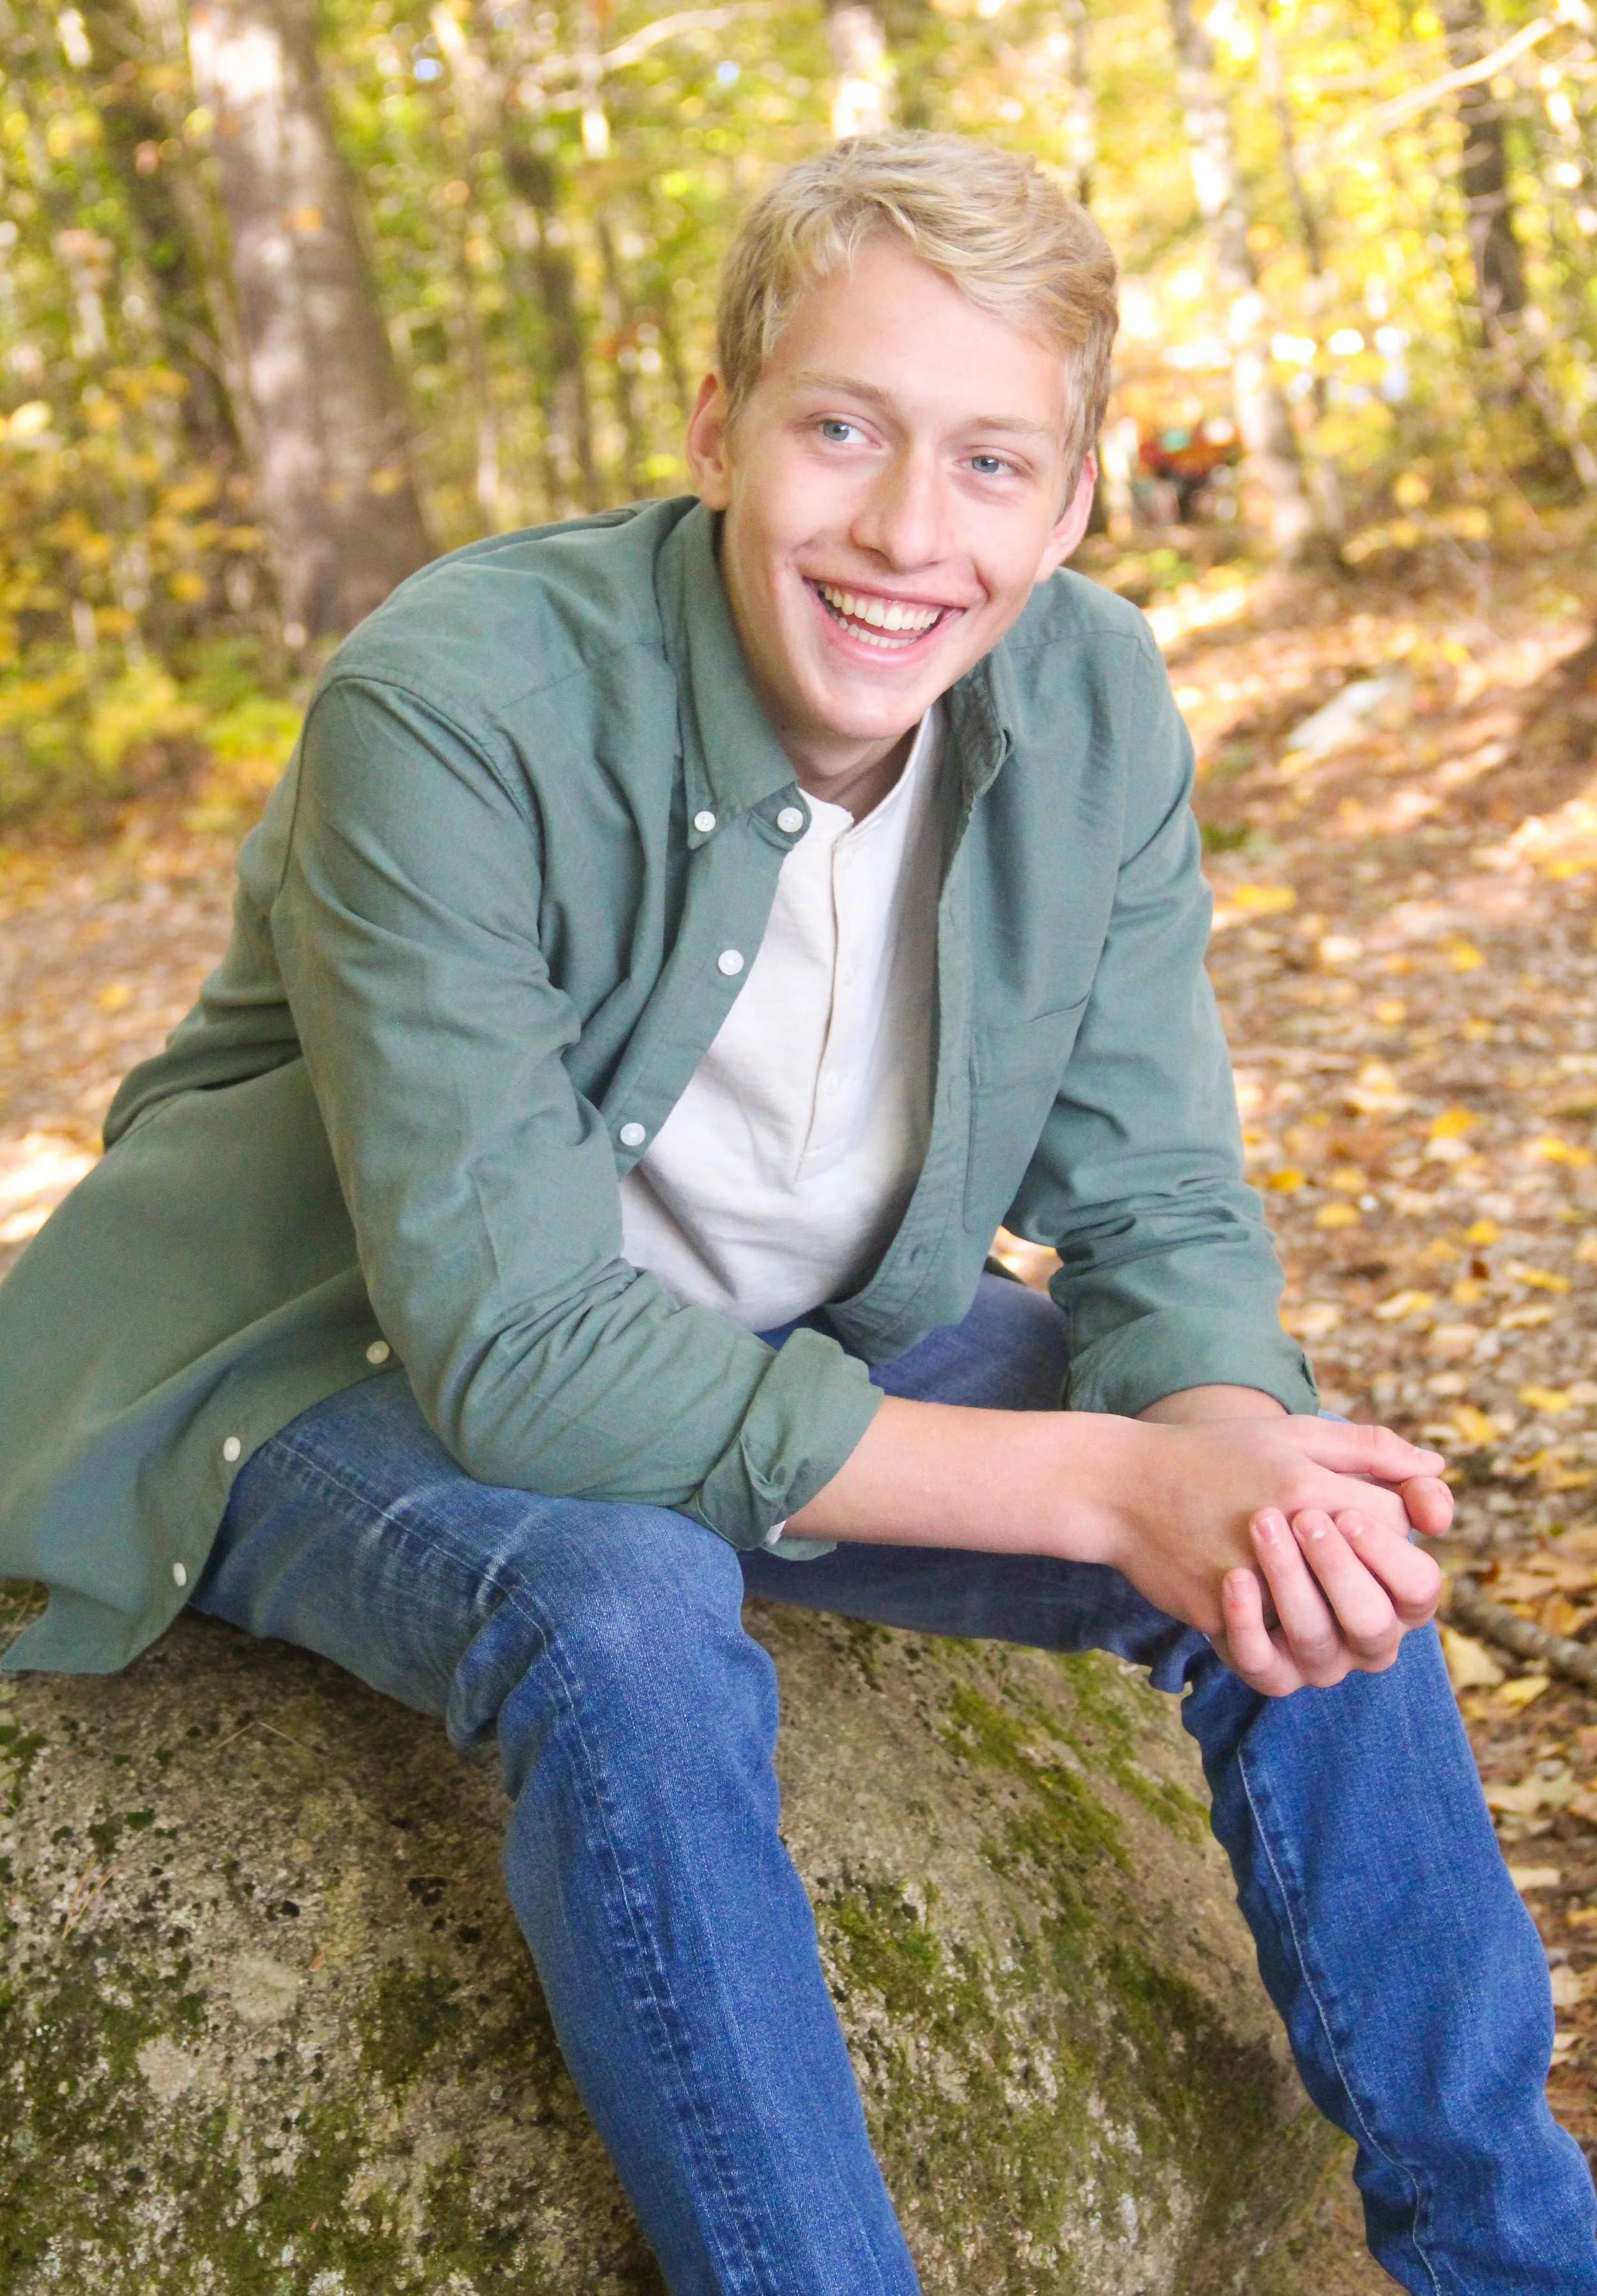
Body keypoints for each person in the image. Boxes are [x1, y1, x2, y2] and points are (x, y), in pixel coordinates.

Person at [0, 131, 1588, 2293]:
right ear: (717, 428)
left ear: (1076, 493)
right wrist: (1104, 1489)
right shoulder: (454, 700)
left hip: (787, 1334)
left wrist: (1208, 1441)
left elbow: (1155, 1197)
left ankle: (1511, 2254)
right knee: (628, 1623)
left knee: (1317, 1525)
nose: (908, 534)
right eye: (840, 428)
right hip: (320, 1354)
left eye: (989, 463)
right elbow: (521, 1352)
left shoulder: (1097, 697)